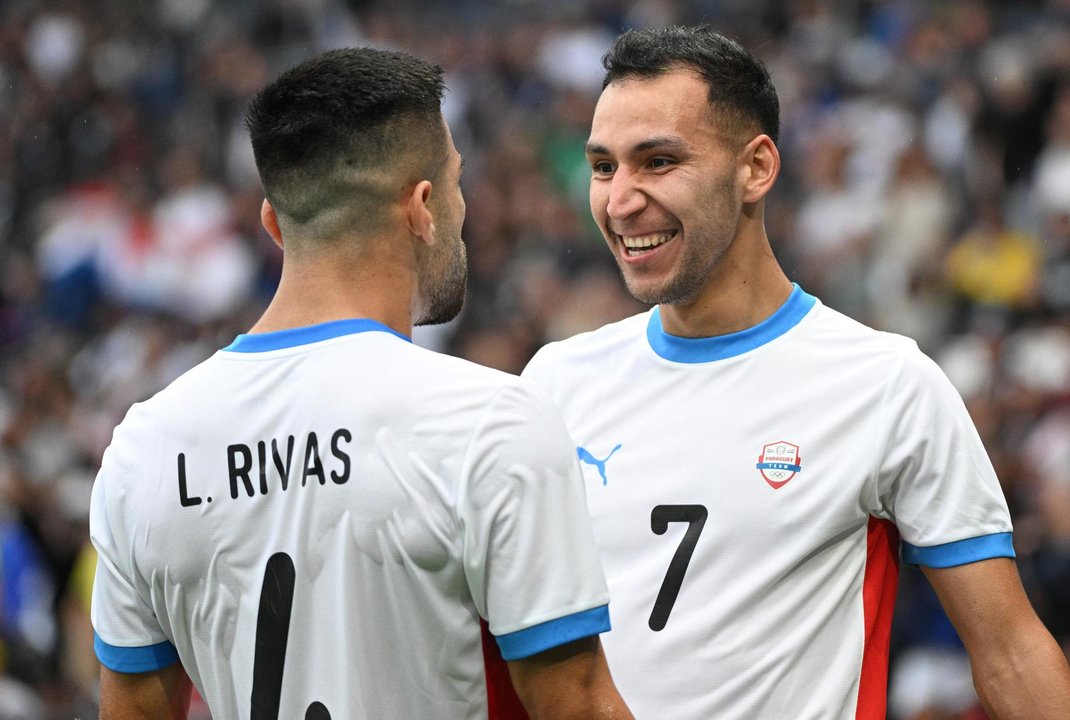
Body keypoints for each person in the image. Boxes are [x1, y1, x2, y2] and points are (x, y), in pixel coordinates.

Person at [522, 25, 1070, 720]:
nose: (620, 200)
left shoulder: (884, 384)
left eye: (658, 162)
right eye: (604, 167)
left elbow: (1012, 655)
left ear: (756, 168)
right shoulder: (555, 381)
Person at [89, 47, 633, 720]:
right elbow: (577, 707)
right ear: (424, 206)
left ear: (272, 225)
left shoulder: (142, 449)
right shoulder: (489, 422)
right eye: (459, 184)